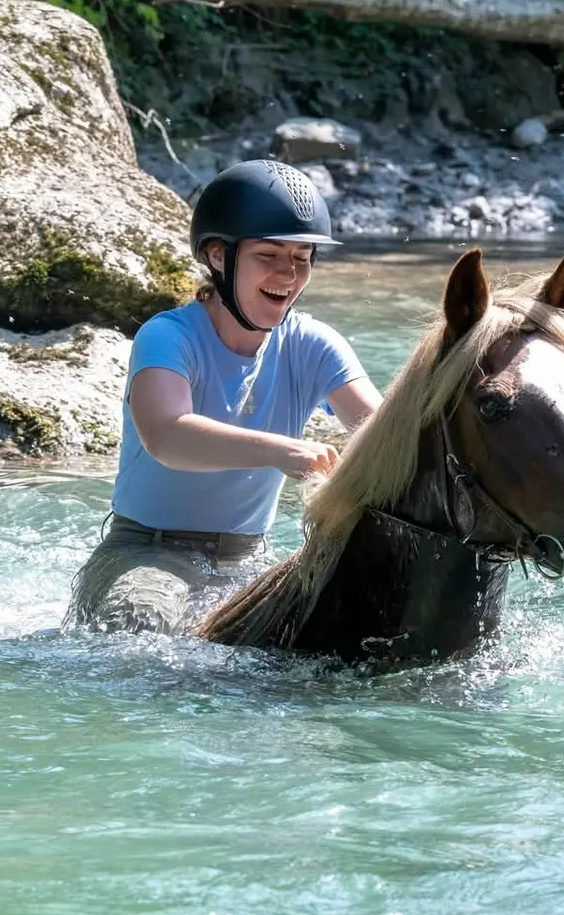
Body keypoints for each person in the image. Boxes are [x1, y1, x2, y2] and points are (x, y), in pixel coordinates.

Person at [67, 159, 382, 634]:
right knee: (140, 627)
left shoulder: (315, 343)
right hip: (143, 551)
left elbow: (386, 433)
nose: (288, 275)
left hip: (248, 558)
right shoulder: (166, 336)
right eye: (269, 255)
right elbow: (167, 435)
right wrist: (282, 450)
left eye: (302, 258)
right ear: (218, 256)